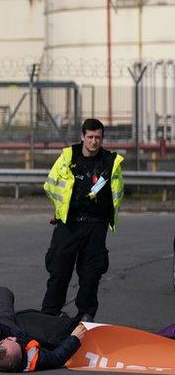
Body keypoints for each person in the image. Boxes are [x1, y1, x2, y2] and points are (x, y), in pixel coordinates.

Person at [41, 118, 124, 321]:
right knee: (59, 270)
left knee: (91, 275)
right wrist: (59, 210)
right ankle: (50, 313)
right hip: (69, 224)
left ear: (102, 138)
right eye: (90, 137)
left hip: (96, 225)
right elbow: (51, 185)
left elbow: (118, 192)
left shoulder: (110, 162)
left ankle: (86, 315)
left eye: (98, 137)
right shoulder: (68, 157)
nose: (94, 142)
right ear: (82, 137)